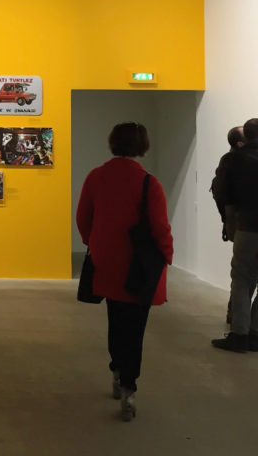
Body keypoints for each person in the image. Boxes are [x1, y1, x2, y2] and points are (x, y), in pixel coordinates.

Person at [76, 122, 173, 421]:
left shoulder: (96, 176)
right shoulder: (148, 182)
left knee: (116, 320)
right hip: (138, 267)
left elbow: (83, 218)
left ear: (112, 143)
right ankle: (129, 386)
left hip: (107, 263)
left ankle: (117, 370)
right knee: (136, 328)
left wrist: (94, 242)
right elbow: (159, 227)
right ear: (143, 145)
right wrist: (167, 254)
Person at [212, 118, 258, 353]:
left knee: (241, 278)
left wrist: (227, 221)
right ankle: (255, 334)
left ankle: (239, 334)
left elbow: (222, 192)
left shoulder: (234, 159)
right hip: (247, 224)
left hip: (248, 225)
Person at [211, 126, 249, 324]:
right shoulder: (234, 162)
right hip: (243, 223)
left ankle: (238, 319)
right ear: (241, 143)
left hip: (241, 223)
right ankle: (239, 321)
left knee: (242, 273)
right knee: (243, 274)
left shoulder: (232, 161)